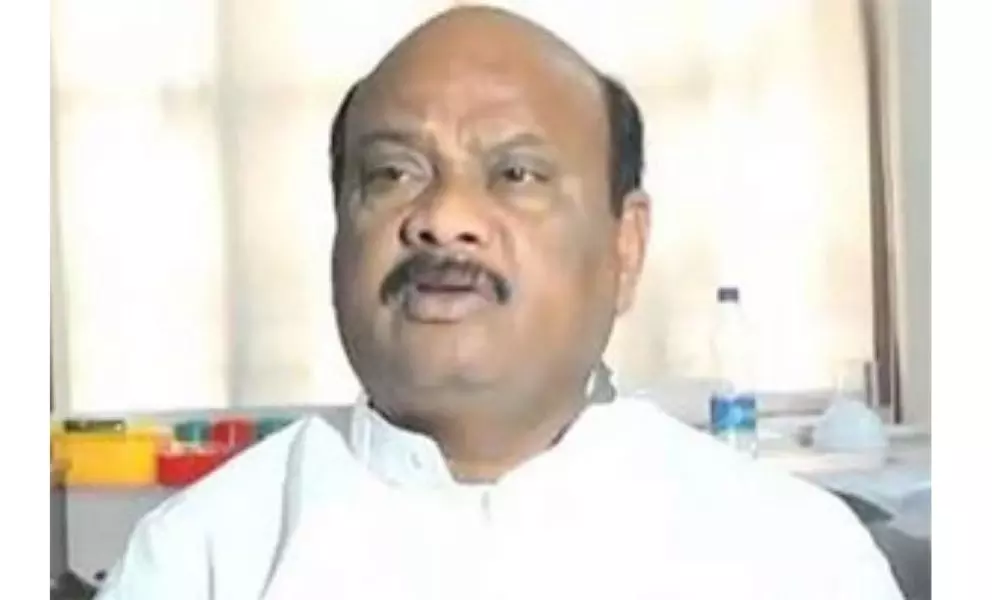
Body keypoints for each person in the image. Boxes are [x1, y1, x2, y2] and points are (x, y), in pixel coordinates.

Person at [97, 6, 903, 599]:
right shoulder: (201, 559)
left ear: (625, 245)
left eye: (516, 174)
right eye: (392, 174)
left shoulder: (795, 557)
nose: (444, 218)